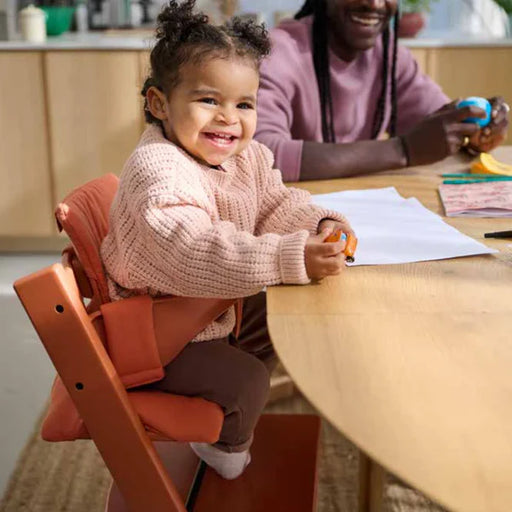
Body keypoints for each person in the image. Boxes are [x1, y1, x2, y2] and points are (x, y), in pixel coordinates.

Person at [101, 0, 353, 480]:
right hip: (159, 332)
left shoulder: (246, 156)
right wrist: (289, 254)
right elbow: (195, 249)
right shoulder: (160, 169)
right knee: (247, 382)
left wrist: (317, 224)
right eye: (208, 100)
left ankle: (228, 376)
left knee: (284, 314)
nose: (228, 119)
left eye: (244, 104)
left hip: (208, 307)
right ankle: (225, 449)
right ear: (159, 104)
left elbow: (274, 204)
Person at [255, 0, 510, 181]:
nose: (375, 4)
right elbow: (261, 154)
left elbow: (437, 128)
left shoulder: (391, 56)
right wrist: (402, 150)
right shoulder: (278, 50)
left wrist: (473, 131)